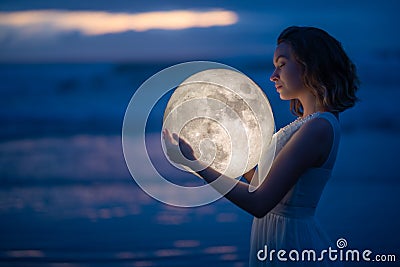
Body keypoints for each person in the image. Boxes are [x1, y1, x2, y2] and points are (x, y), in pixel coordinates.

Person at [163, 26, 359, 266]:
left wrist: (197, 164)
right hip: (277, 236)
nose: (273, 75)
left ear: (310, 65)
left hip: (290, 242)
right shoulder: (305, 125)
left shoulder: (317, 128)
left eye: (282, 64)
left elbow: (260, 202)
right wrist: (224, 154)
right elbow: (264, 185)